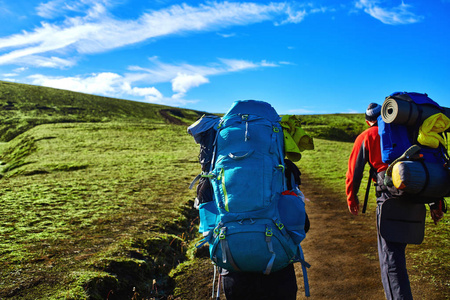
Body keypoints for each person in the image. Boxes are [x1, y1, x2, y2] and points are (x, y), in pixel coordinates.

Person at [345, 102, 445, 300]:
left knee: (390, 260)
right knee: (397, 254)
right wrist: (436, 203)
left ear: (368, 121)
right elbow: (425, 166)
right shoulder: (407, 134)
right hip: (416, 195)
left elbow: (354, 171)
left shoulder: (366, 136)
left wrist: (352, 196)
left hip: (389, 197)